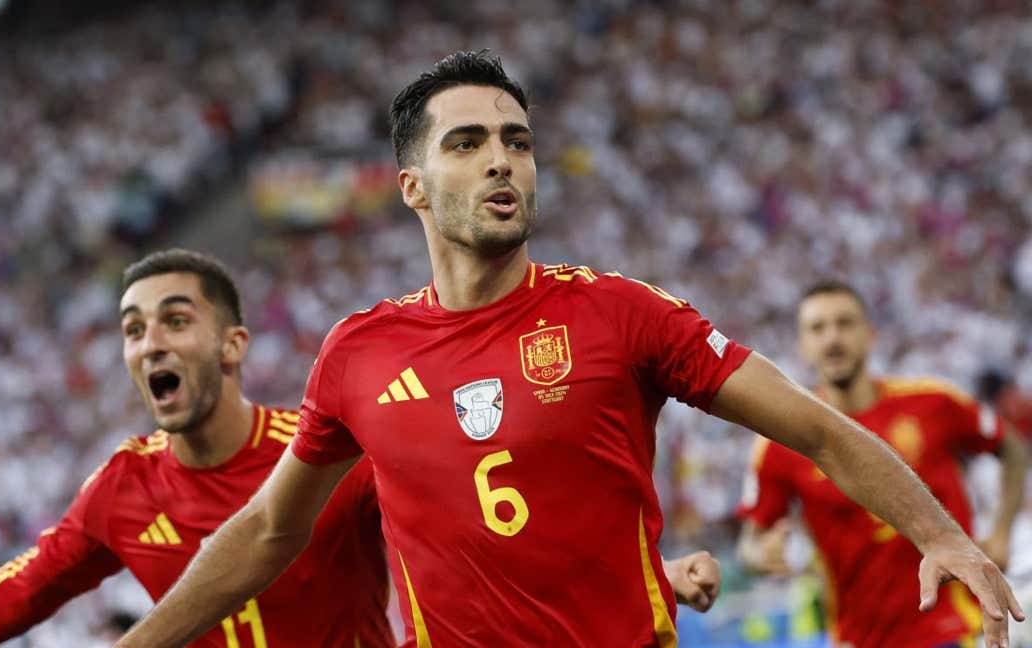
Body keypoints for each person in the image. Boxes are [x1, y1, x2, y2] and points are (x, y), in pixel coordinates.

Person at [112, 52, 1024, 648]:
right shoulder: (358, 353)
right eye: (467, 144)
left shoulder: (621, 315)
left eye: (517, 141)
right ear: (414, 187)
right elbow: (271, 530)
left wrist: (945, 535)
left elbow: (818, 431)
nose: (502, 160)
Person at [0, 249, 395, 648]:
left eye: (176, 320)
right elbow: (11, 599)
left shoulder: (328, 457)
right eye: (133, 330)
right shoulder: (122, 486)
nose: (150, 344)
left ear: (232, 344)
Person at [737, 280, 1029, 647]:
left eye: (844, 323)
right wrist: (762, 554)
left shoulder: (932, 403)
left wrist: (1002, 530)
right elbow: (750, 541)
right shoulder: (780, 441)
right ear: (802, 345)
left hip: (953, 629)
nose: (832, 338)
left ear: (870, 334)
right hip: (857, 639)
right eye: (818, 328)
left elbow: (1011, 448)